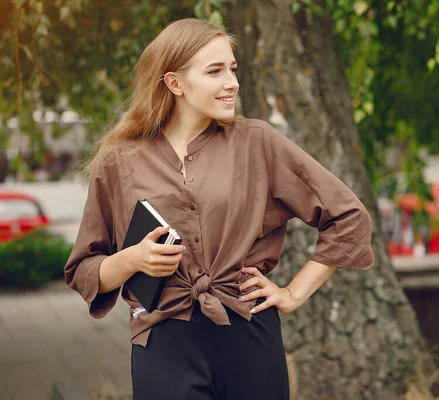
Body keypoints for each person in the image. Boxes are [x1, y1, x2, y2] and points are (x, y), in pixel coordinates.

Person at [64, 18, 374, 400]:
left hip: (249, 334)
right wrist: (134, 259)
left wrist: (293, 293)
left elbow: (348, 218)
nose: (232, 82)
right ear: (174, 83)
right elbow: (83, 271)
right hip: (163, 343)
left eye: (233, 69)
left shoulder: (257, 142)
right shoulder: (119, 161)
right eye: (215, 71)